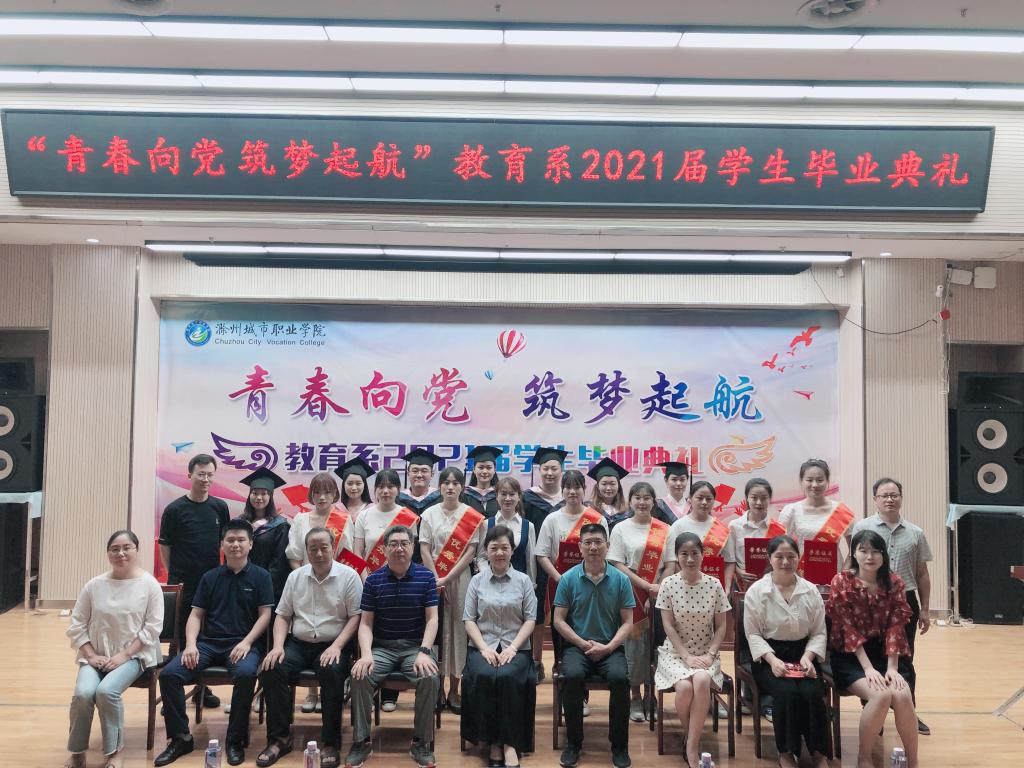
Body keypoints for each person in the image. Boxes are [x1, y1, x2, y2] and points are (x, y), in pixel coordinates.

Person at [156, 519, 274, 767]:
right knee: (169, 675)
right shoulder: (210, 577)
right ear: (222, 544)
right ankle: (180, 738)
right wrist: (190, 645)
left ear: (251, 544)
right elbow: (195, 615)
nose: (235, 545)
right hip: (208, 645)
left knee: (245, 675)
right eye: (230, 540)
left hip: (242, 644)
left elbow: (265, 615)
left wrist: (247, 642)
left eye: (241, 540)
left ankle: (234, 741)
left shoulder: (261, 576)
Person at [257, 527, 362, 768]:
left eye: (324, 547)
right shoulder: (295, 577)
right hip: (298, 644)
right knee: (272, 668)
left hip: (333, 644)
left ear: (333, 548)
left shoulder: (349, 576)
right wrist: (278, 646)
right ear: (306, 551)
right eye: (313, 549)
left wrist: (337, 646)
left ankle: (330, 743)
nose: (319, 553)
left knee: (331, 671)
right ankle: (279, 739)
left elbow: (355, 617)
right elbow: (282, 615)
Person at [65, 530, 163, 768]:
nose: (121, 553)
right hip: (96, 654)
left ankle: (115, 752)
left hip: (135, 655)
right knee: (83, 694)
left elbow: (152, 628)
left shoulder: (149, 585)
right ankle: (77, 752)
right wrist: (91, 655)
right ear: (108, 553)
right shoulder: (94, 585)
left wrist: (124, 655)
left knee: (106, 691)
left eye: (127, 547)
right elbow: (77, 623)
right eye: (115, 549)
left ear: (136, 550)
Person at [346, 525, 441, 768]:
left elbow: (432, 620)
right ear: (385, 549)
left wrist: (424, 651)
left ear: (412, 547)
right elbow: (365, 623)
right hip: (383, 648)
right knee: (359, 674)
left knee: (429, 676)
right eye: (393, 544)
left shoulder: (426, 577)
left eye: (404, 543)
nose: (399, 548)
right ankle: (361, 741)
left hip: (415, 648)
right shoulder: (373, 580)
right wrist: (366, 654)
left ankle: (421, 742)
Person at [826, 530, 918, 768]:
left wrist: (892, 668)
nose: (870, 557)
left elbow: (896, 627)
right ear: (854, 553)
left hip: (885, 654)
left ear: (884, 555)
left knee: (902, 695)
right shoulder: (841, 581)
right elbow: (846, 628)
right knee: (881, 694)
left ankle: (913, 761)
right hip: (850, 655)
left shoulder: (895, 582)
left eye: (876, 551)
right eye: (863, 551)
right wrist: (867, 668)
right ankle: (864, 758)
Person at [850, 477, 933, 736]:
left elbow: (922, 572)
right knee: (872, 654)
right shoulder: (862, 527)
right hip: (868, 601)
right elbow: (851, 565)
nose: (889, 499)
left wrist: (925, 609)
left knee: (904, 659)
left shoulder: (915, 532)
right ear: (875, 499)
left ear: (901, 498)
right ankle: (873, 711)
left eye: (894, 495)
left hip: (904, 600)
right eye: (884, 495)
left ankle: (908, 712)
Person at [552, 523, 635, 768]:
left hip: (610, 647)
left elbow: (628, 622)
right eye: (587, 542)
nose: (593, 547)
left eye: (598, 542)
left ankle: (619, 746)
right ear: (579, 547)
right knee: (572, 676)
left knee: (620, 679)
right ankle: (573, 743)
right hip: (577, 647)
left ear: (607, 546)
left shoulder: (621, 579)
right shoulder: (568, 579)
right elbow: (558, 620)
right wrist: (581, 643)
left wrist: (608, 648)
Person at [742, 536, 829, 768]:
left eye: (791, 556)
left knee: (812, 692)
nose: (785, 562)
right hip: (769, 656)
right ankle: (786, 751)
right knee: (787, 693)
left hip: (804, 654)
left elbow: (819, 632)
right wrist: (772, 661)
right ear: (769, 558)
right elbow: (753, 634)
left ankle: (818, 751)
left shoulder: (810, 590)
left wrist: (808, 657)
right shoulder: (757, 591)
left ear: (799, 558)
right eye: (779, 556)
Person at [157, 453, 229, 710]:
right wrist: (175, 576)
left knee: (204, 638)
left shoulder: (220, 507)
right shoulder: (175, 509)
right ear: (190, 475)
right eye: (201, 474)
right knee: (178, 638)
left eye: (210, 475)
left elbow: (222, 543)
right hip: (183, 584)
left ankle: (201, 689)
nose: (205, 479)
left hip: (211, 585)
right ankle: (172, 693)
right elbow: (165, 546)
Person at [462, 525, 538, 768]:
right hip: (482, 646)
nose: (499, 553)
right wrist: (484, 648)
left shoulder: (524, 581)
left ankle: (508, 744)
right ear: (486, 551)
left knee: (507, 677)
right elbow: (469, 620)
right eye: (494, 548)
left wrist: (513, 648)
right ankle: (493, 742)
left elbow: (530, 619)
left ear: (513, 550)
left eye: (505, 547)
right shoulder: (476, 581)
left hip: (516, 647)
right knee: (485, 675)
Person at [654, 532, 730, 768]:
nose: (689, 559)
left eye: (694, 553)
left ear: (703, 555)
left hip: (706, 651)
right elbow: (668, 626)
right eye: (684, 554)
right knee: (685, 688)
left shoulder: (714, 584)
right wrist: (685, 656)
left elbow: (721, 626)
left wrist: (710, 654)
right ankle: (692, 737)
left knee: (701, 680)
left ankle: (691, 745)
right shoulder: (668, 584)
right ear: (677, 556)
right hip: (675, 652)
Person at [352, 467, 420, 714]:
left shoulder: (408, 517)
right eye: (381, 486)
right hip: (371, 583)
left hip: (400, 584)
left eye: (391, 486)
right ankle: (367, 690)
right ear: (375, 490)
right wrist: (366, 580)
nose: (385, 491)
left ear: (398, 490)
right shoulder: (364, 516)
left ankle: (390, 696)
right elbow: (358, 553)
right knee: (371, 630)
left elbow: (411, 553)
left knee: (395, 630)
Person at [419, 465, 484, 714]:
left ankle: (455, 690)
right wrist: (436, 578)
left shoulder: (471, 515)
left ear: (462, 487)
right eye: (446, 482)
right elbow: (424, 549)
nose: (450, 487)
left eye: (456, 483)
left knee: (458, 631)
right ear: (439, 487)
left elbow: (471, 552)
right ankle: (436, 688)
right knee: (436, 631)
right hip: (432, 579)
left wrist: (448, 577)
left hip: (460, 579)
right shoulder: (429, 514)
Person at [285, 471, 352, 714]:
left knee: (327, 633)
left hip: (335, 584)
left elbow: (348, 555)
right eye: (317, 492)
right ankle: (311, 694)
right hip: (306, 584)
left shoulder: (344, 519)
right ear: (311, 495)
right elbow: (294, 555)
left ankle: (328, 692)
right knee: (306, 632)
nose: (322, 497)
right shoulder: (301, 519)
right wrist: (304, 577)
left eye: (327, 492)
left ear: (335, 494)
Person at [608, 481, 670, 722]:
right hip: (630, 590)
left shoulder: (665, 529)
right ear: (630, 501)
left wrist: (657, 589)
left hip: (660, 591)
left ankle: (651, 694)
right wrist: (645, 587)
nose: (642, 502)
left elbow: (671, 564)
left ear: (654, 502)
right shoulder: (620, 528)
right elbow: (617, 563)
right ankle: (634, 695)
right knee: (633, 646)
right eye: (638, 497)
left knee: (656, 644)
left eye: (647, 498)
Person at [522, 446, 568, 682]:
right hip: (537, 562)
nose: (550, 473)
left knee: (566, 610)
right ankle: (536, 660)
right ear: (539, 471)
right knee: (537, 612)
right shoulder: (528, 497)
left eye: (554, 469)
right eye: (545, 468)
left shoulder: (569, 499)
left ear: (562, 471)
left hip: (566, 565)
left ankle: (564, 661)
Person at [779, 459, 853, 577]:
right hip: (801, 575)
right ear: (801, 482)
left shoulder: (840, 511)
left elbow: (854, 550)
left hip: (834, 576)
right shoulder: (791, 510)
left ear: (827, 481)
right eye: (809, 480)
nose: (814, 485)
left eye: (820, 480)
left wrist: (843, 573)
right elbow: (780, 546)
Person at [664, 481, 736, 590]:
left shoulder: (722, 529)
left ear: (714, 501)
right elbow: (673, 560)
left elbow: (729, 561)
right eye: (700, 498)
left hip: (713, 587)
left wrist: (726, 586)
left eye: (709, 499)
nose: (704, 502)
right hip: (684, 587)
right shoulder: (678, 526)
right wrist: (685, 581)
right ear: (690, 499)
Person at [238, 467, 291, 603]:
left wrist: (263, 585)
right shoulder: (239, 523)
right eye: (254, 493)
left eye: (264, 493)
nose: (259, 497)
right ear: (249, 495)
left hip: (267, 586)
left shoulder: (280, 526)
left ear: (270, 497)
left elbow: (279, 563)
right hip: (239, 584)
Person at [478, 475, 537, 586]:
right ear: (496, 496)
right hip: (491, 584)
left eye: (512, 494)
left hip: (519, 585)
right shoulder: (486, 524)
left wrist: (531, 584)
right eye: (503, 494)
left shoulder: (528, 526)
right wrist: (488, 576)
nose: (508, 498)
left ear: (519, 497)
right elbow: (481, 557)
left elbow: (530, 561)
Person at [727, 478, 785, 589]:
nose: (759, 502)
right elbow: (729, 559)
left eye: (764, 498)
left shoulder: (779, 529)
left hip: (771, 585)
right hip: (741, 585)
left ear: (769, 499)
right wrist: (739, 572)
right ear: (747, 498)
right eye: (754, 498)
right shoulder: (734, 526)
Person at [587, 457, 630, 530]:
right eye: (604, 484)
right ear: (598, 486)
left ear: (618, 486)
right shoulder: (589, 508)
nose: (608, 488)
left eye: (612, 484)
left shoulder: (628, 510)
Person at [398, 447, 442, 516]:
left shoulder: (440, 499)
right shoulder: (398, 500)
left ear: (432, 474)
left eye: (424, 471)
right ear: (408, 473)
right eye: (415, 471)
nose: (419, 475)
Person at [463, 445, 502, 518]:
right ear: (474, 469)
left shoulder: (501, 494)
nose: (484, 471)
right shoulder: (465, 495)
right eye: (481, 467)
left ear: (494, 470)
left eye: (489, 468)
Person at [336, 457, 374, 523]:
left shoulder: (372, 509)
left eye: (358, 483)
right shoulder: (337, 509)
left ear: (364, 485)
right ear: (343, 485)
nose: (354, 488)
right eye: (350, 483)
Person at [654, 461, 690, 525]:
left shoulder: (693, 506)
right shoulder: (658, 506)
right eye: (674, 479)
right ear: (666, 480)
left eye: (682, 480)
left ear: (687, 480)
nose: (678, 483)